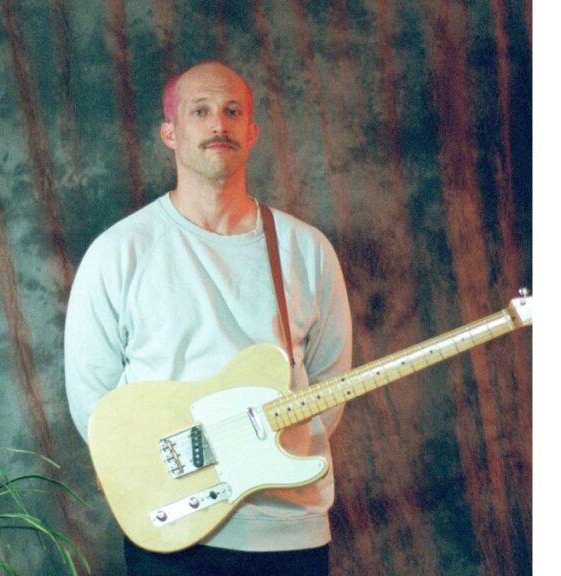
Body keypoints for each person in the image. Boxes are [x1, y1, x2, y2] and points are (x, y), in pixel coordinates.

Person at [64, 60, 353, 576]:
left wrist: (257, 457)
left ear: (252, 132)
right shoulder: (119, 251)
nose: (218, 124)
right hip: (172, 526)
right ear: (170, 132)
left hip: (288, 530)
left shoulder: (305, 249)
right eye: (200, 111)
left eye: (232, 111)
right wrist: (177, 468)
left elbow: (331, 383)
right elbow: (94, 397)